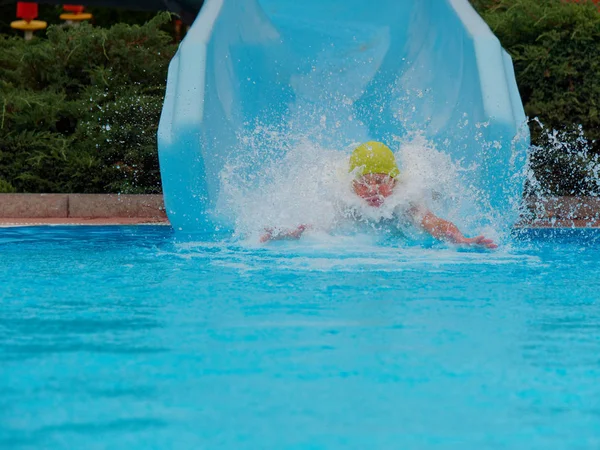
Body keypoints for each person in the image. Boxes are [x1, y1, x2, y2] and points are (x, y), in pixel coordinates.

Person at [260, 141, 497, 249]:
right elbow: (318, 228)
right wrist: (288, 234)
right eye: (363, 183)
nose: (373, 190)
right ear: (352, 185)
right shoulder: (343, 201)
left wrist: (459, 237)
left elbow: (432, 221)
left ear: (394, 181)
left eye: (381, 182)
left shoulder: (406, 200)